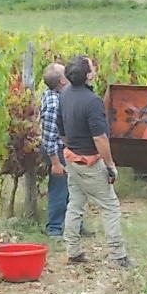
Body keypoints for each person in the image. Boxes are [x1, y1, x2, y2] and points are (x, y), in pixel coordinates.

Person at [57, 55, 133, 267]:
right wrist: (110, 165)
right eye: (92, 67)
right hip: (90, 163)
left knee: (75, 204)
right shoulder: (93, 102)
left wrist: (73, 146)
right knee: (110, 207)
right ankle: (118, 256)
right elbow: (99, 138)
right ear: (89, 75)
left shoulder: (65, 94)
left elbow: (61, 128)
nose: (95, 69)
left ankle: (73, 251)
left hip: (72, 159)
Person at [40, 63, 93, 238]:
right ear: (63, 81)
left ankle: (75, 225)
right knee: (60, 190)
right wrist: (55, 163)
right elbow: (48, 137)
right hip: (57, 153)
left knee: (74, 190)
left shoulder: (60, 96)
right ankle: (54, 229)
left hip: (67, 151)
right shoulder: (54, 104)